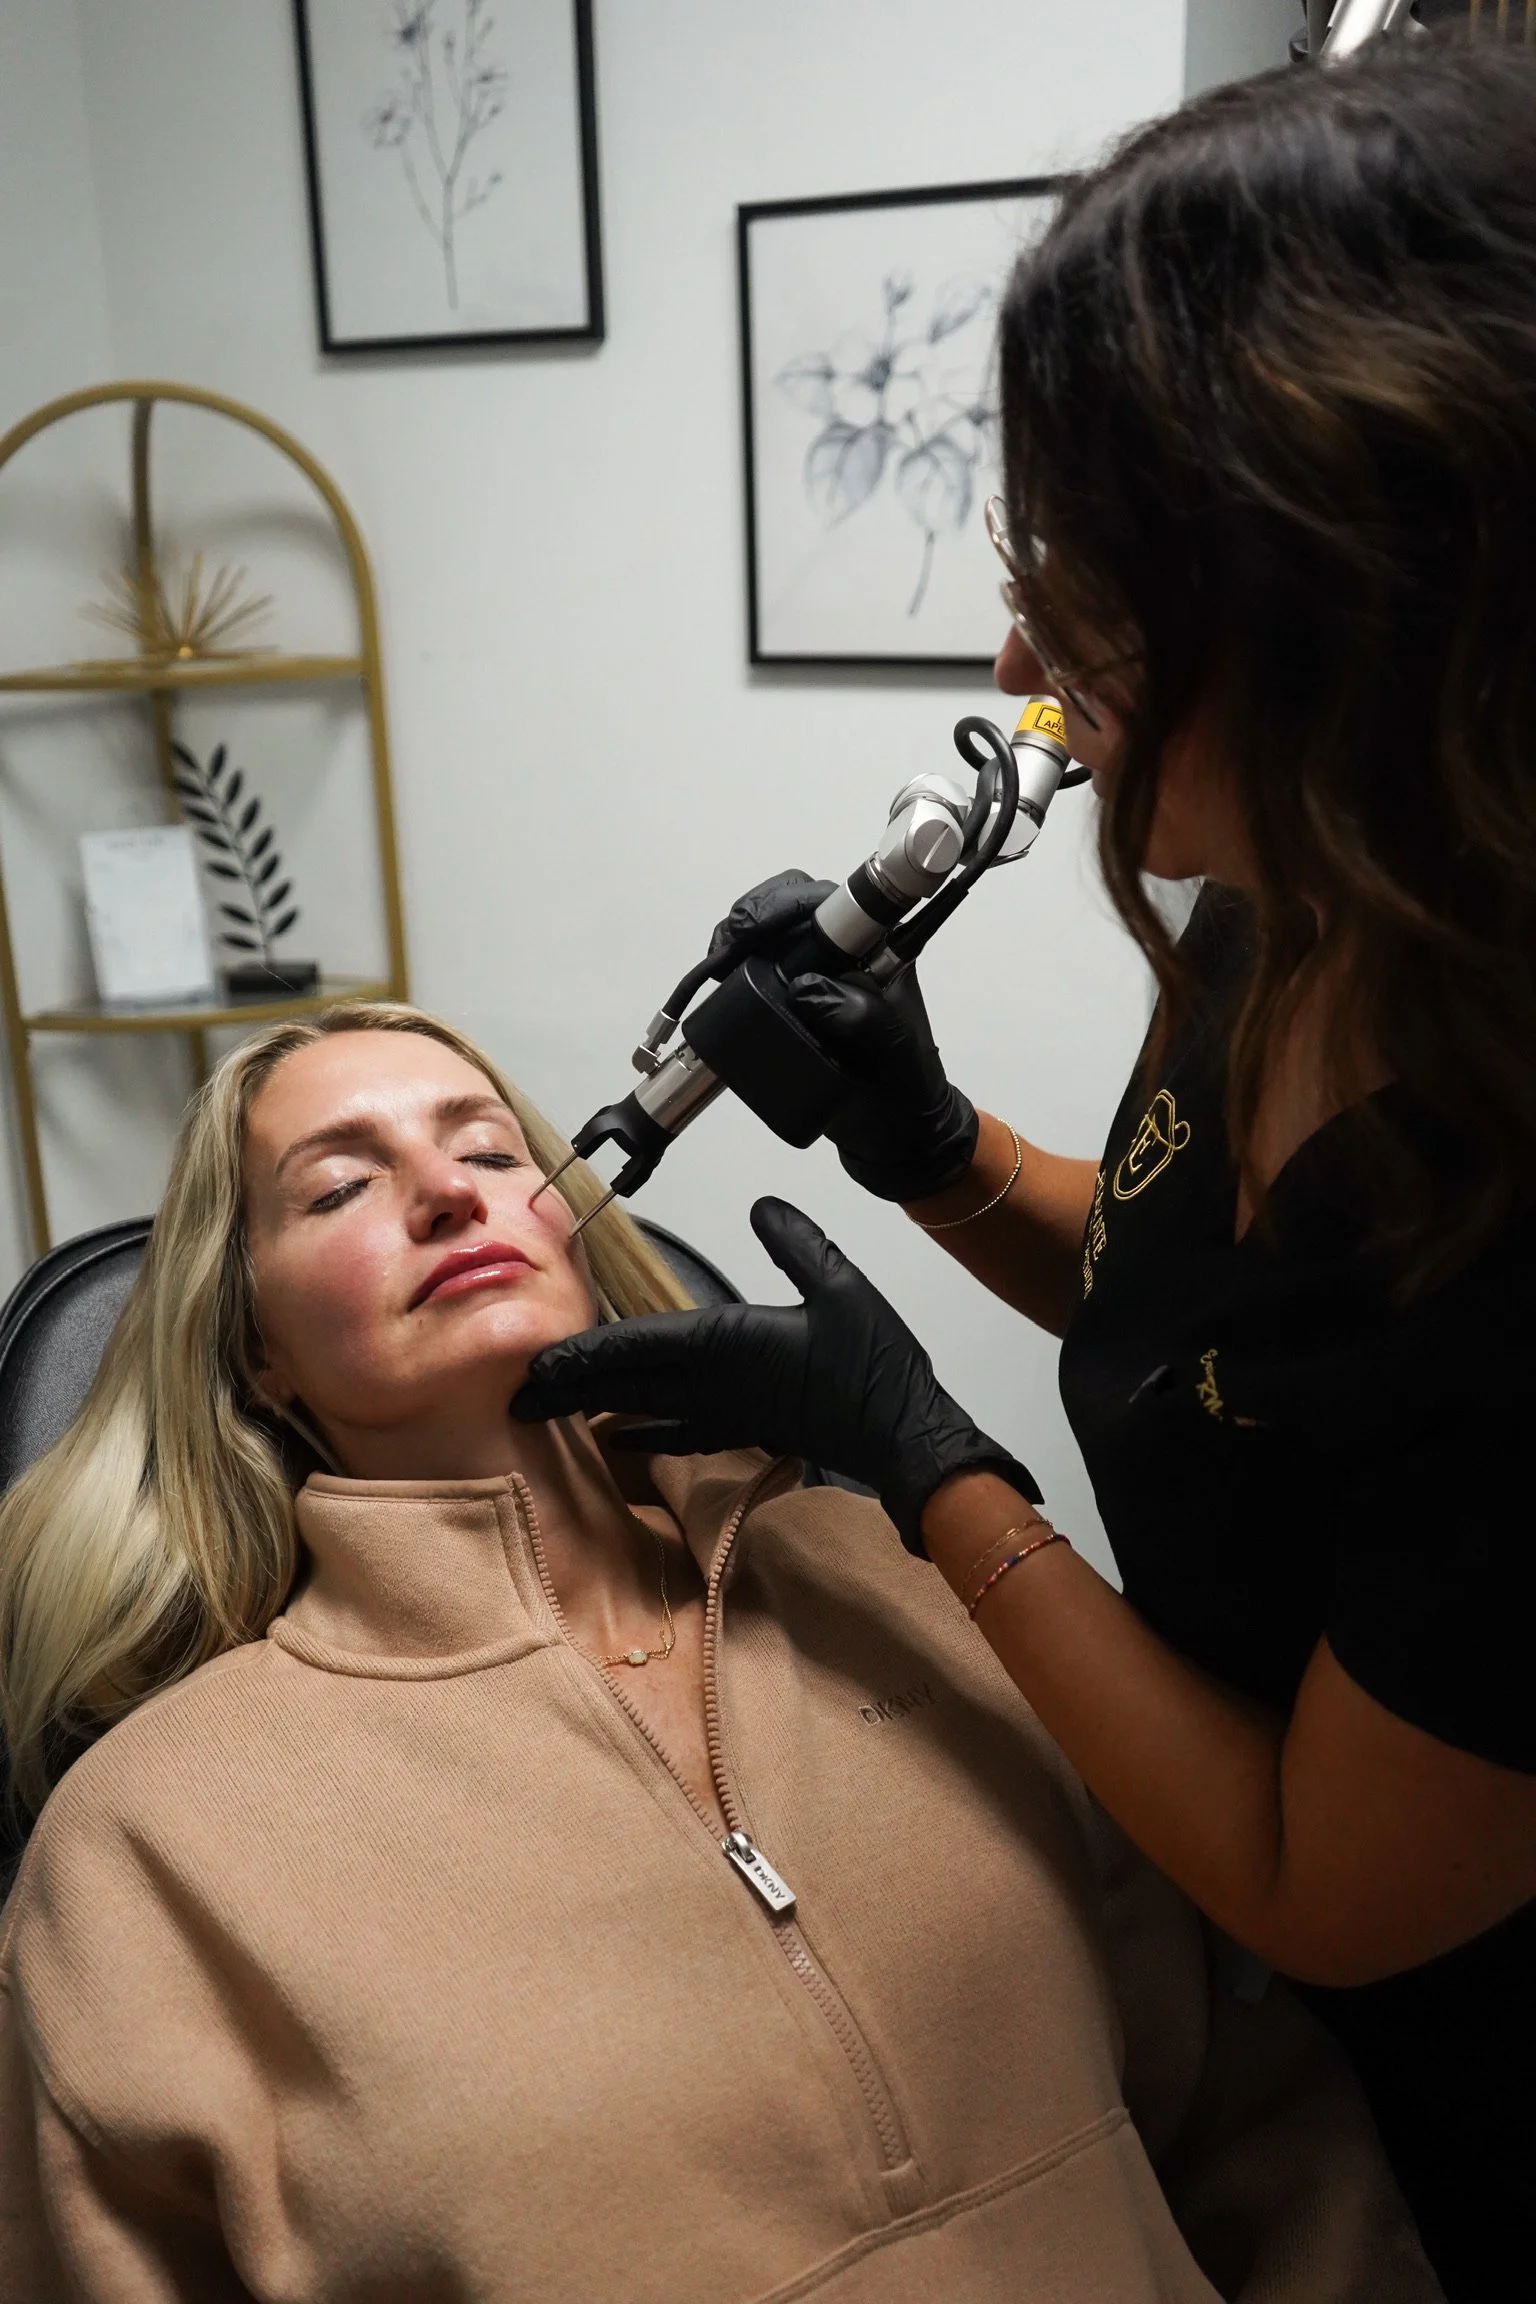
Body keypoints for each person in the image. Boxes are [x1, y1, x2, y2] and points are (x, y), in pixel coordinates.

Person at [511, 35, 1536, 2303]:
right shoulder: (1305, 900)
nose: (1016, 655)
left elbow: (1320, 1871)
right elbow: (1229, 1338)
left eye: (1094, 587)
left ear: (1339, 604)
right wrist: (934, 1142)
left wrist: (924, 1467)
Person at [0, 1003, 1433, 2301]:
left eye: (492, 1151)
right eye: (339, 1186)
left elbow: (1258, 2129)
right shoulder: (148, 1847)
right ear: (258, 1354)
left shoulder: (899, 1577)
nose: (447, 1194)